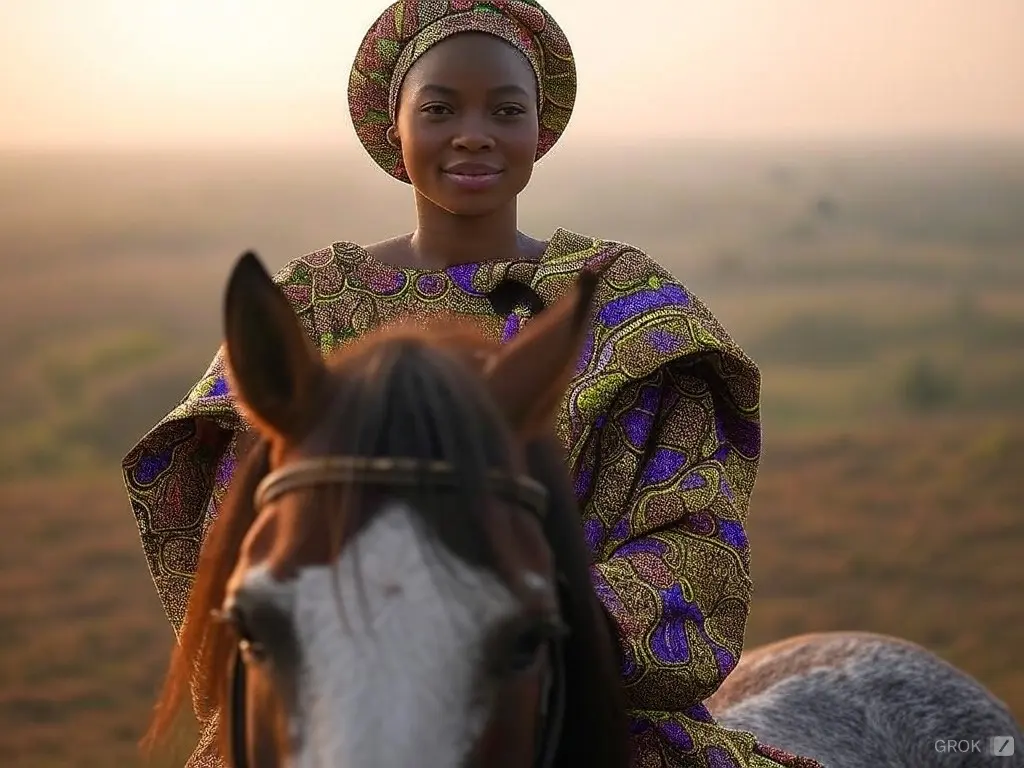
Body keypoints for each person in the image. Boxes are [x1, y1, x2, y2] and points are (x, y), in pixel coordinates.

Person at [123, 2, 823, 767]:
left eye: (506, 109)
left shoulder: (628, 307)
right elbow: (231, 516)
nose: (474, 133)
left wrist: (510, 618)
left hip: (546, 679)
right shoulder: (310, 304)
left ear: (540, 130)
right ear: (395, 125)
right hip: (330, 677)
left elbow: (696, 541)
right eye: (441, 108)